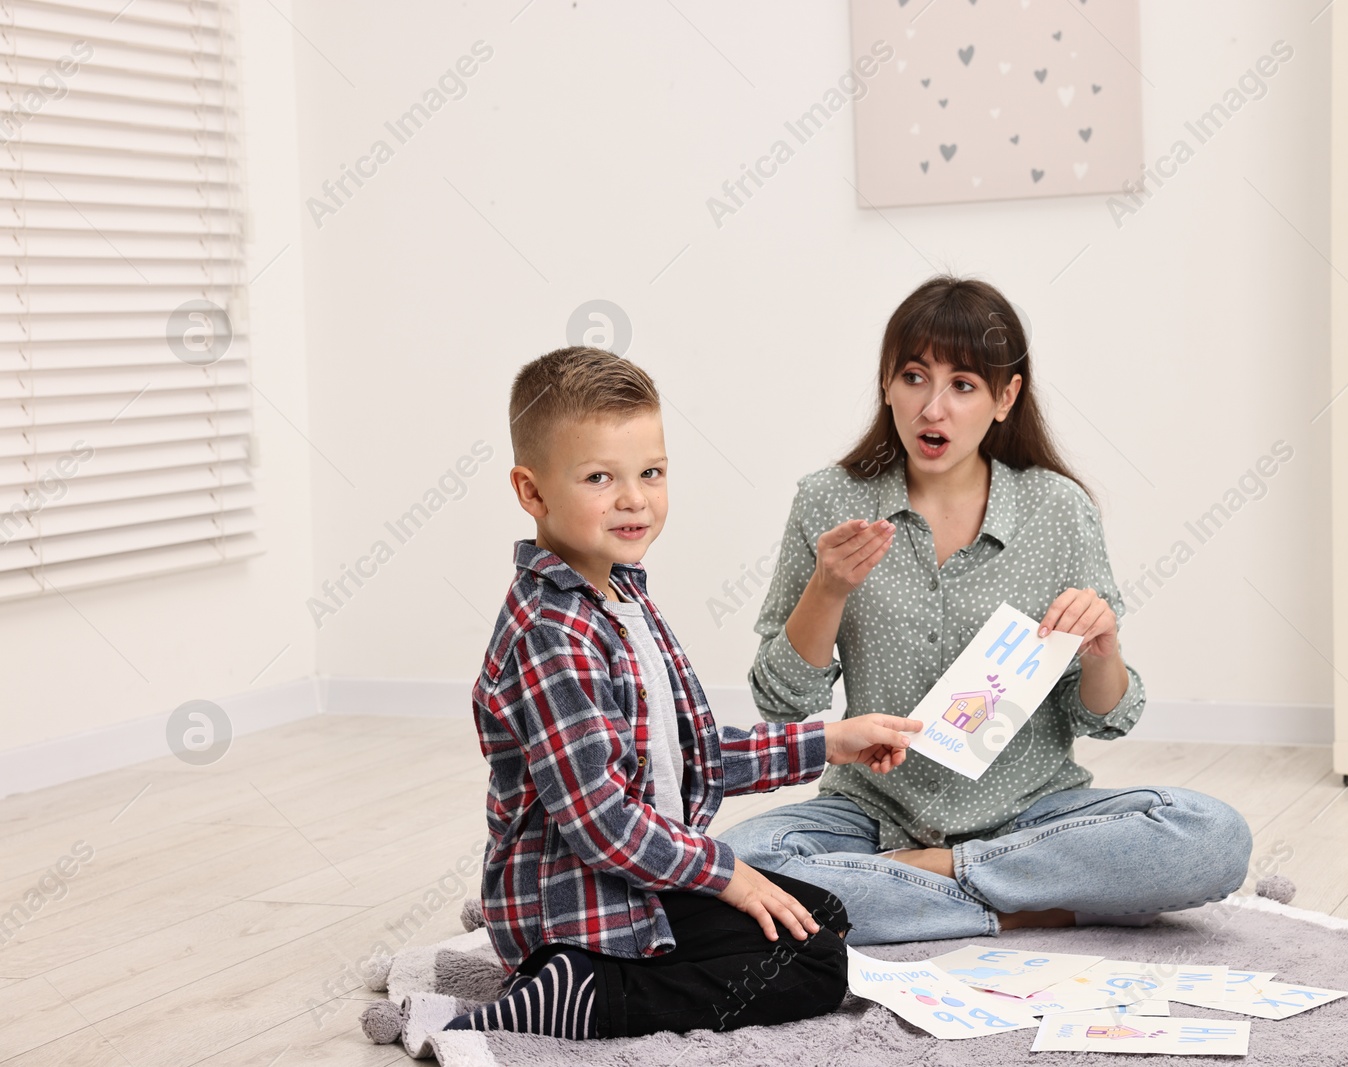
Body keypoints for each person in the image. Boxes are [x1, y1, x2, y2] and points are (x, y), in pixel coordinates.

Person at [722, 276, 1253, 945]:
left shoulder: (1057, 509)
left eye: (963, 385)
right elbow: (783, 701)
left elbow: (1104, 715)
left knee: (1214, 836)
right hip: (871, 815)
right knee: (741, 864)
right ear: (886, 382)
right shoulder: (828, 501)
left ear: (1006, 398)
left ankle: (927, 881)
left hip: (1033, 813)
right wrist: (827, 589)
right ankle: (1026, 906)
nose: (932, 408)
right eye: (913, 377)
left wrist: (1103, 649)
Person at [445, 346, 922, 1039]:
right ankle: (585, 990)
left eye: (651, 472)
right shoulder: (553, 632)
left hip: (641, 877)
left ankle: (589, 976)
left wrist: (831, 742)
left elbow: (688, 754)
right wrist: (727, 874)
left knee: (821, 918)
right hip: (579, 902)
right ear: (533, 492)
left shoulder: (622, 594)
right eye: (600, 477)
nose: (634, 497)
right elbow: (603, 818)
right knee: (816, 963)